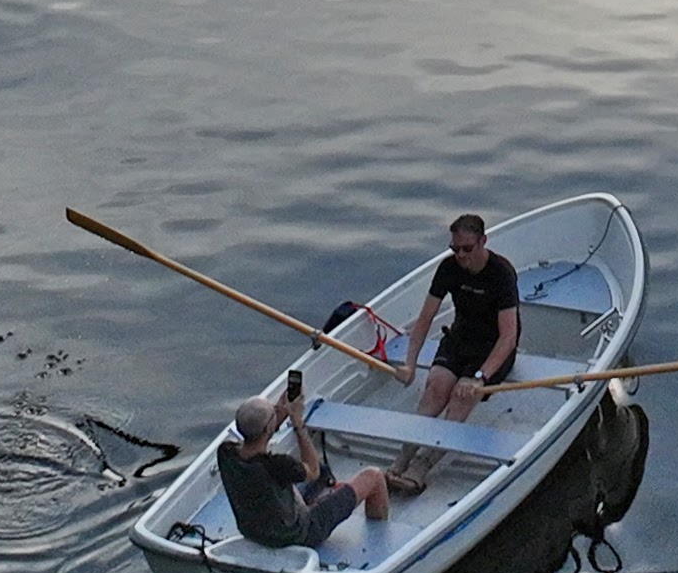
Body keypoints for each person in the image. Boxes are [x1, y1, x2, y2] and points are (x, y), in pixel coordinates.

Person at [213, 385, 392, 552]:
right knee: (373, 476)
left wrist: (279, 413)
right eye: (273, 413)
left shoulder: (226, 453)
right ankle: (379, 545)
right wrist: (298, 423)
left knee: (321, 474)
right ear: (269, 427)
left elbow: (257, 437)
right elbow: (313, 471)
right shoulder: (278, 465)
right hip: (301, 534)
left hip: (254, 531)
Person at [415, 211, 527, 420]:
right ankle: (406, 453)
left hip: (491, 347)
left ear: (482, 241)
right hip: (460, 338)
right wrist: (410, 364)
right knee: (435, 390)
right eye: (455, 249)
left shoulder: (501, 273)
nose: (460, 255)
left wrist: (479, 377)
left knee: (461, 397)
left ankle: (434, 452)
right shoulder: (448, 268)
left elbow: (509, 337)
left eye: (467, 249)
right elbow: (425, 318)